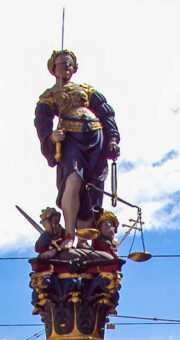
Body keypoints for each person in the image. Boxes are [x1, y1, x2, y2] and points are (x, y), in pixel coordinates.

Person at [34, 49, 120, 246]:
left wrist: (112, 138)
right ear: (53, 68)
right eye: (62, 62)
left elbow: (106, 113)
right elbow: (42, 122)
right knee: (73, 180)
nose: (66, 66)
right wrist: (50, 137)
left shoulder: (87, 89)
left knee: (92, 186)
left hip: (94, 136)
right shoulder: (48, 96)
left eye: (70, 63)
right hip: (70, 138)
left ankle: (84, 238)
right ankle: (69, 234)